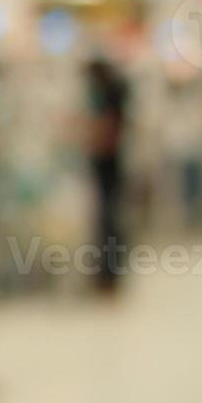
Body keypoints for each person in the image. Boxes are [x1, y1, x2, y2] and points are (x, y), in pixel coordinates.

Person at [85, 58, 130, 295]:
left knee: (109, 222)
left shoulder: (110, 96)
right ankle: (107, 274)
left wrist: (93, 138)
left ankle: (109, 275)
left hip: (109, 166)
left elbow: (108, 130)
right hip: (107, 166)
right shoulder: (109, 94)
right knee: (107, 222)